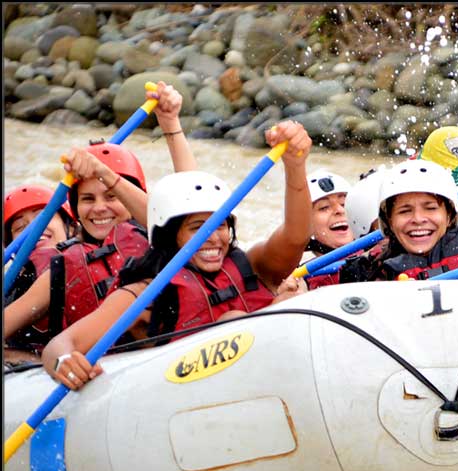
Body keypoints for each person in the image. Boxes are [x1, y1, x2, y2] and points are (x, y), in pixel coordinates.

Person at [41, 121, 313, 390]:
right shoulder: (145, 294)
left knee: (279, 303)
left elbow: (296, 236)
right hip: (180, 397)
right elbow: (60, 345)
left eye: (220, 226)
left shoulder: (252, 265)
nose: (213, 237)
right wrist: (64, 361)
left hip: (261, 385)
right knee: (231, 321)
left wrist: (295, 166)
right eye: (198, 228)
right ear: (170, 235)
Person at [4, 142, 149, 356]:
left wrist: (171, 125)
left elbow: (187, 214)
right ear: (77, 213)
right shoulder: (62, 268)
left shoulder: (161, 240)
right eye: (88, 199)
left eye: (112, 195)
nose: (99, 208)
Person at [4, 185, 77, 360]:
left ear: (71, 228)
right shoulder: (15, 284)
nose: (34, 229)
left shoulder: (72, 264)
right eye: (21, 227)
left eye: (43, 217)